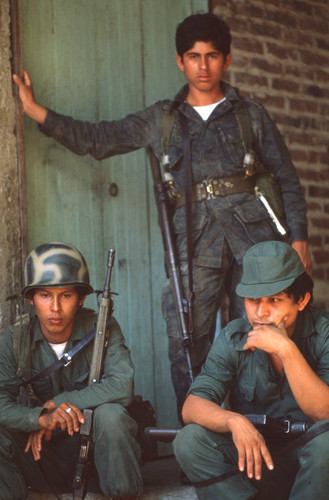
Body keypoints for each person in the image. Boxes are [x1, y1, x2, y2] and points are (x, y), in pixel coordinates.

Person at [13, 13, 312, 417]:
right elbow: (102, 138)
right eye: (193, 56)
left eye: (211, 56)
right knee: (188, 341)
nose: (202, 66)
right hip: (194, 242)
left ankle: (263, 430)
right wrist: (37, 113)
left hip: (255, 242)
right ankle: (203, 434)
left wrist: (298, 239)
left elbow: (288, 180)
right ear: (179, 61)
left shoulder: (250, 114)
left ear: (226, 60)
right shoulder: (163, 119)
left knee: (261, 333)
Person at [173, 240, 329, 499]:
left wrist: (287, 350)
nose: (260, 312)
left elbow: (325, 412)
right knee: (190, 440)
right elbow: (192, 406)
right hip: (256, 461)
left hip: (314, 465)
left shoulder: (323, 333)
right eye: (252, 300)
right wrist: (234, 421)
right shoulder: (234, 336)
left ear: (301, 300)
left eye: (274, 300)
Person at [0, 242, 142, 500]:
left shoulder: (102, 328)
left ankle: (123, 496)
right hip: (44, 453)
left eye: (65, 295)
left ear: (81, 299)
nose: (55, 307)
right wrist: (40, 418)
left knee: (112, 415)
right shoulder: (15, 339)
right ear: (32, 299)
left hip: (99, 458)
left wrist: (60, 402)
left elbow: (123, 384)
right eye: (45, 295)